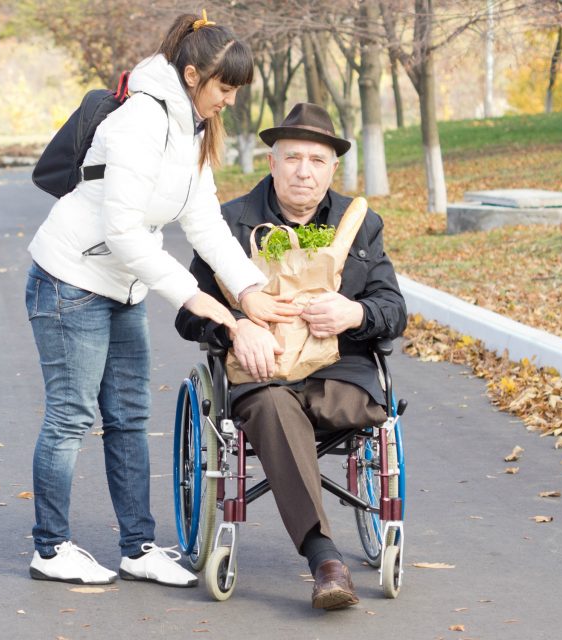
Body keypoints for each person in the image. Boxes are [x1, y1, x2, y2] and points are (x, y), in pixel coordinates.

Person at [24, 12, 295, 587]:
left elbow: (203, 220)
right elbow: (122, 233)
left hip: (121, 283)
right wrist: (207, 304)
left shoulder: (189, 125)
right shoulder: (142, 120)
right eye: (225, 87)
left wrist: (249, 289)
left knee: (128, 418)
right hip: (69, 279)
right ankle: (50, 548)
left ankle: (137, 547)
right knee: (71, 417)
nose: (230, 101)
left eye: (236, 90)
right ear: (192, 74)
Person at [174, 102, 407, 609]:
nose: (304, 170)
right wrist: (236, 327)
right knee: (277, 410)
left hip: (339, 369)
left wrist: (353, 315)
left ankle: (322, 542)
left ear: (332, 169)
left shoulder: (358, 223)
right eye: (293, 158)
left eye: (316, 160)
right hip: (264, 374)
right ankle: (325, 558)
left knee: (319, 410)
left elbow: (393, 308)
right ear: (272, 162)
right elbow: (188, 313)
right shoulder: (229, 223)